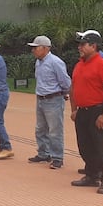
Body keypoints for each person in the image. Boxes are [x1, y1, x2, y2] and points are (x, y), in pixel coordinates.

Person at [70, 31, 103, 194]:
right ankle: (91, 175)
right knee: (85, 146)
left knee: (102, 147)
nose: (79, 47)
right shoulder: (79, 64)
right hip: (82, 112)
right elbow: (73, 87)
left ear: (93, 46)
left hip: (97, 110)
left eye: (83, 44)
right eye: (79, 44)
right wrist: (74, 109)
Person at [27, 36, 71, 169]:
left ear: (45, 48)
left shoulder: (55, 62)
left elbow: (66, 82)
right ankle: (43, 153)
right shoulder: (38, 62)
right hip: (40, 98)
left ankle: (57, 157)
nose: (33, 50)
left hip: (53, 99)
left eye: (35, 48)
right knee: (40, 129)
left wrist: (63, 93)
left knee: (55, 130)